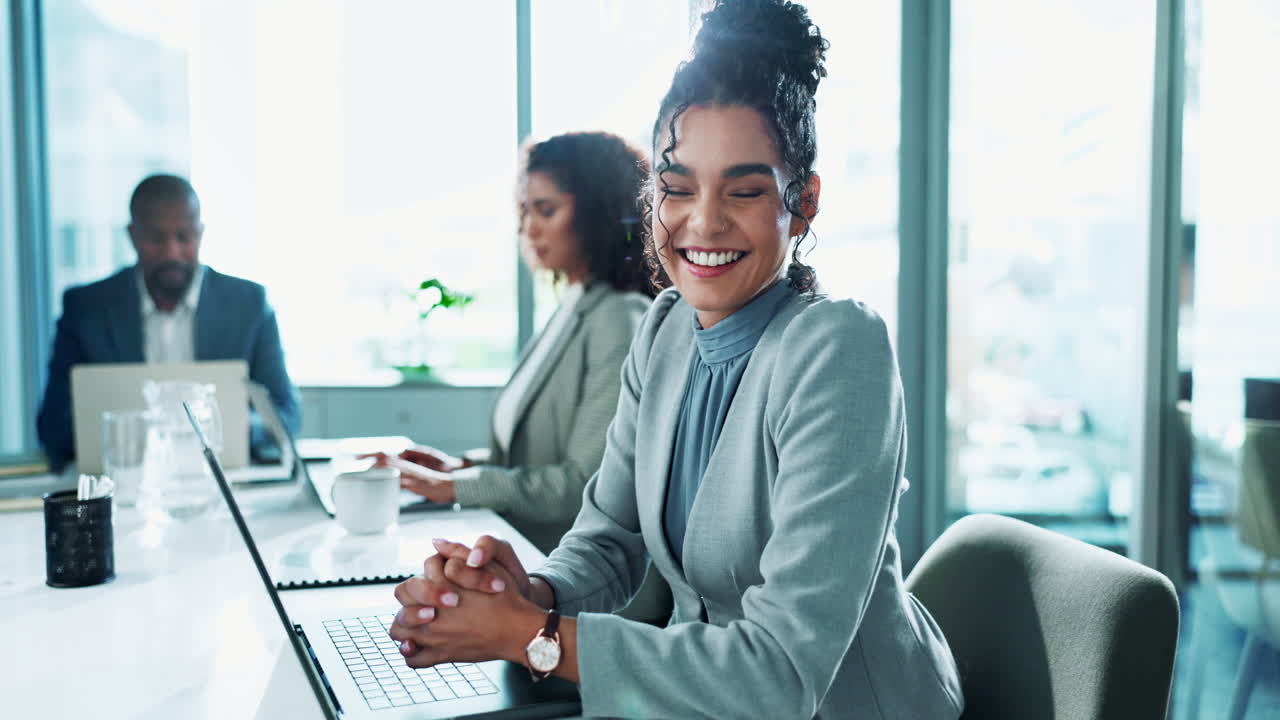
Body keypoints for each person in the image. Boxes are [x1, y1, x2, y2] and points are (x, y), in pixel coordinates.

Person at [384, 2, 965, 718]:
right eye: (678, 188)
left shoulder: (837, 349)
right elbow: (609, 538)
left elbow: (781, 673)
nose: (704, 221)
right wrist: (530, 592)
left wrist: (527, 635)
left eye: (745, 191)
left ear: (803, 203)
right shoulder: (665, 332)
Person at [363, 131, 658, 556]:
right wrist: (460, 467)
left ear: (597, 212)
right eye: (524, 209)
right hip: (534, 558)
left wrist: (454, 487)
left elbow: (583, 485)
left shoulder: (617, 317)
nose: (527, 226)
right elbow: (537, 458)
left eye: (545, 209)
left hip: (583, 586)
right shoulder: (573, 308)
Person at [36, 174, 300, 471]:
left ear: (200, 233)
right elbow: (52, 428)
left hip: (223, 482)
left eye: (184, 237)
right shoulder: (86, 309)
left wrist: (235, 429)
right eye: (156, 238)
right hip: (122, 483)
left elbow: (286, 416)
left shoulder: (249, 304)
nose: (172, 252)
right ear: (133, 236)